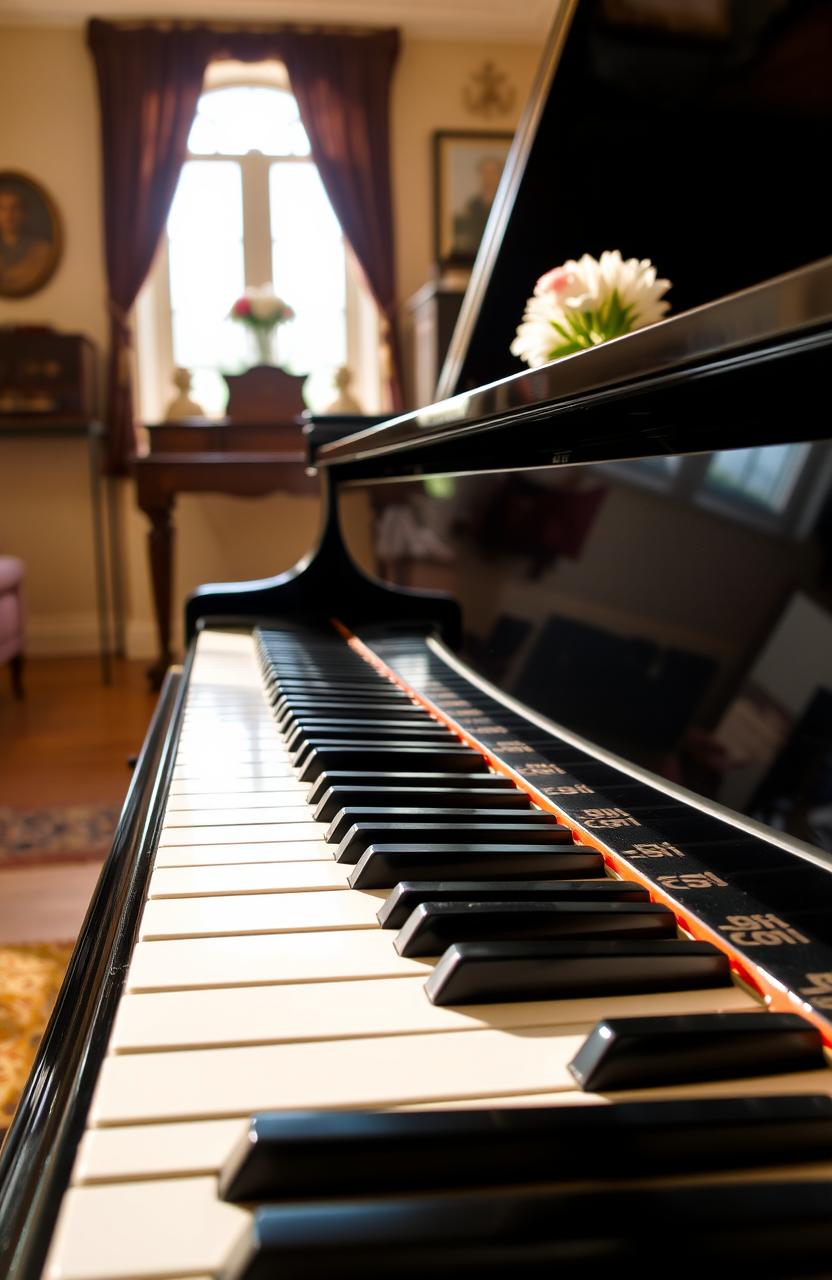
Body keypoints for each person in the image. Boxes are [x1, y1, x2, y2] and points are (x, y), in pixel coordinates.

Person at [0, 186, 54, 297]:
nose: (9, 215)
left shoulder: (43, 250)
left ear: (25, 214)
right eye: (3, 208)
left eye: (15, 208)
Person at [450, 155, 503, 259]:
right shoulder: (473, 203)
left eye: (492, 173)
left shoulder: (504, 204)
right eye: (485, 173)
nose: (488, 177)